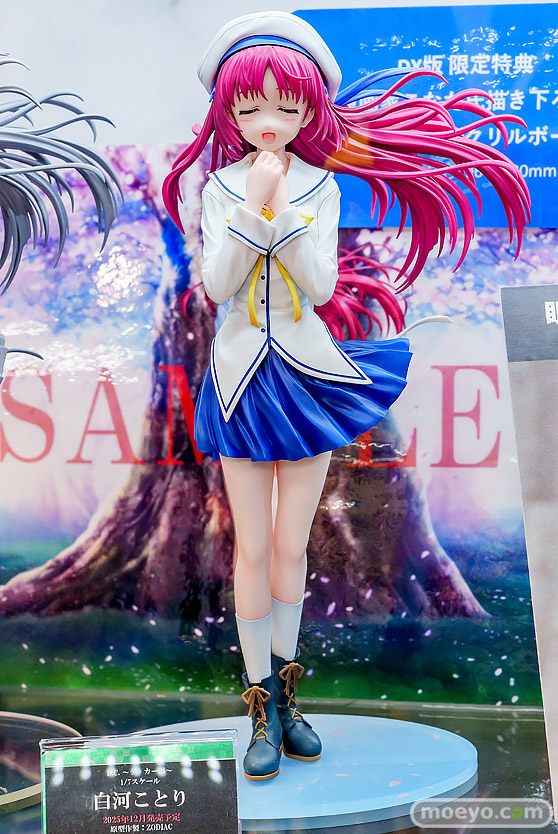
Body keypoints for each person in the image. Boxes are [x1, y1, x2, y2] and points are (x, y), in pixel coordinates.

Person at [163, 11, 529, 781]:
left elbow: (322, 285)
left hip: (305, 377)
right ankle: (259, 705)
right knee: (251, 547)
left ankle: (287, 698)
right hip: (240, 382)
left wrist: (277, 210)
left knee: (292, 546)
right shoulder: (219, 188)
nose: (268, 122)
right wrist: (254, 205)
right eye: (250, 107)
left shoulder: (322, 186)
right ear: (228, 111)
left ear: (309, 110)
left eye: (285, 107)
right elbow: (218, 286)